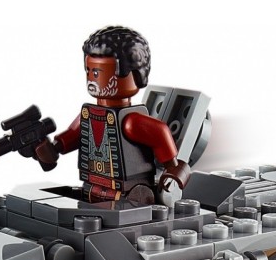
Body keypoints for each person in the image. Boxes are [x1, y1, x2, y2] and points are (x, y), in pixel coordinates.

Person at [36, 26, 190, 206]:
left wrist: (174, 170)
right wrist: (52, 149)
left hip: (130, 193)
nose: (92, 79)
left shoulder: (131, 122)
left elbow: (160, 133)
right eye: (89, 71)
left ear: (134, 74)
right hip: (92, 187)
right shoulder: (88, 115)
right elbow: (73, 134)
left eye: (97, 72)